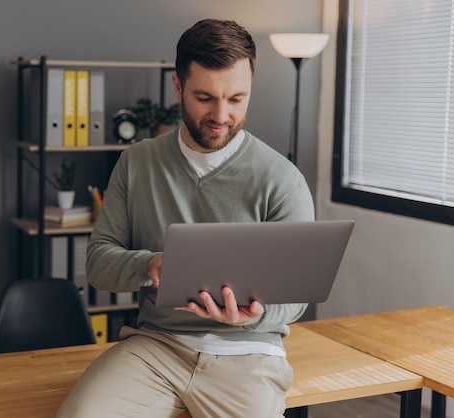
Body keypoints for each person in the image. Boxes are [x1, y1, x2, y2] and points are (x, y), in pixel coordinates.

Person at [56, 18, 314, 418]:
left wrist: (254, 314)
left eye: (236, 99)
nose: (221, 114)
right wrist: (150, 264)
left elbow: (295, 295)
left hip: (248, 353)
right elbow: (99, 264)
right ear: (178, 87)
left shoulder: (282, 179)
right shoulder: (136, 163)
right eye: (205, 97)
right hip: (156, 346)